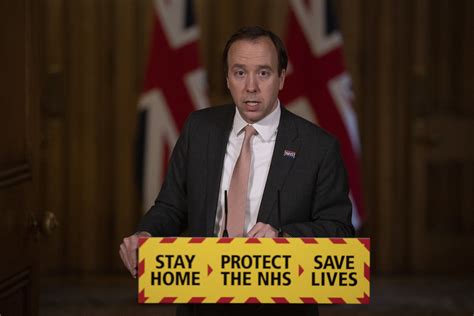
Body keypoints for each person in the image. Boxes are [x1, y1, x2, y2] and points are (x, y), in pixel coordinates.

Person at [120, 26, 354, 316]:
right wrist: (147, 233)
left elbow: (340, 231)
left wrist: (283, 237)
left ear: (281, 78)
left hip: (280, 304)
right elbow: (171, 206)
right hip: (203, 301)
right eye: (240, 73)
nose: (251, 86)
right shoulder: (199, 129)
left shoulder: (318, 147)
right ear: (228, 79)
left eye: (264, 73)